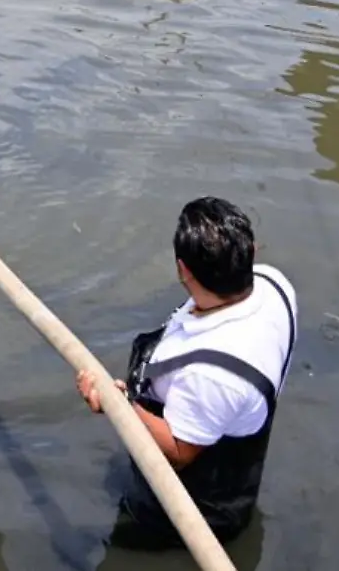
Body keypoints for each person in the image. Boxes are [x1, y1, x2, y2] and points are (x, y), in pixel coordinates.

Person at [76, 197, 296, 547]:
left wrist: (117, 404)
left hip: (194, 511)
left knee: (126, 543)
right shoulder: (273, 284)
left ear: (183, 270)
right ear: (251, 253)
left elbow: (178, 454)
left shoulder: (213, 377)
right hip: (227, 451)